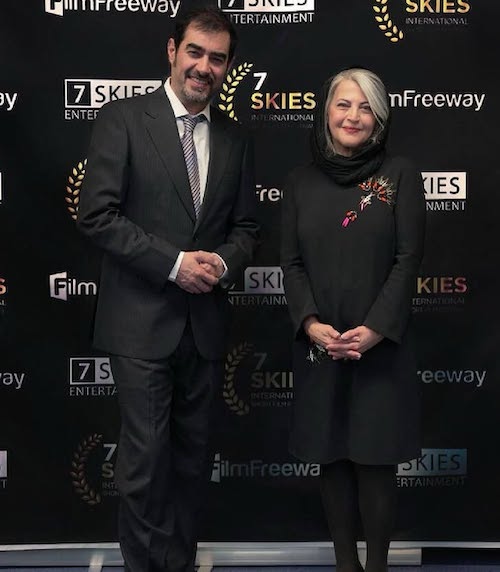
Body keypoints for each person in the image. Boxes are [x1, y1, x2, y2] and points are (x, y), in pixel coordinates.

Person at [77, 7, 259, 572]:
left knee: (191, 463)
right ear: (172, 51)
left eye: (217, 58)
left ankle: (177, 565)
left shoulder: (235, 138)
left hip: (204, 329)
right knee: (145, 464)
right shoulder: (123, 119)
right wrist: (174, 264)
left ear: (228, 67)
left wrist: (222, 263)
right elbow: (97, 214)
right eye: (195, 52)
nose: (204, 67)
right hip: (140, 325)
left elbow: (247, 228)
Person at [281, 67, 425, 572]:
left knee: (375, 458)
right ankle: (346, 564)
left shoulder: (399, 175)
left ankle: (377, 566)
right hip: (321, 344)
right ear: (327, 111)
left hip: (381, 347)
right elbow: (290, 264)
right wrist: (310, 324)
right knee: (332, 456)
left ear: (379, 118)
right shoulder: (299, 182)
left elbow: (408, 259)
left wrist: (377, 329)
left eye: (366, 107)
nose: (353, 116)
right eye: (344, 104)